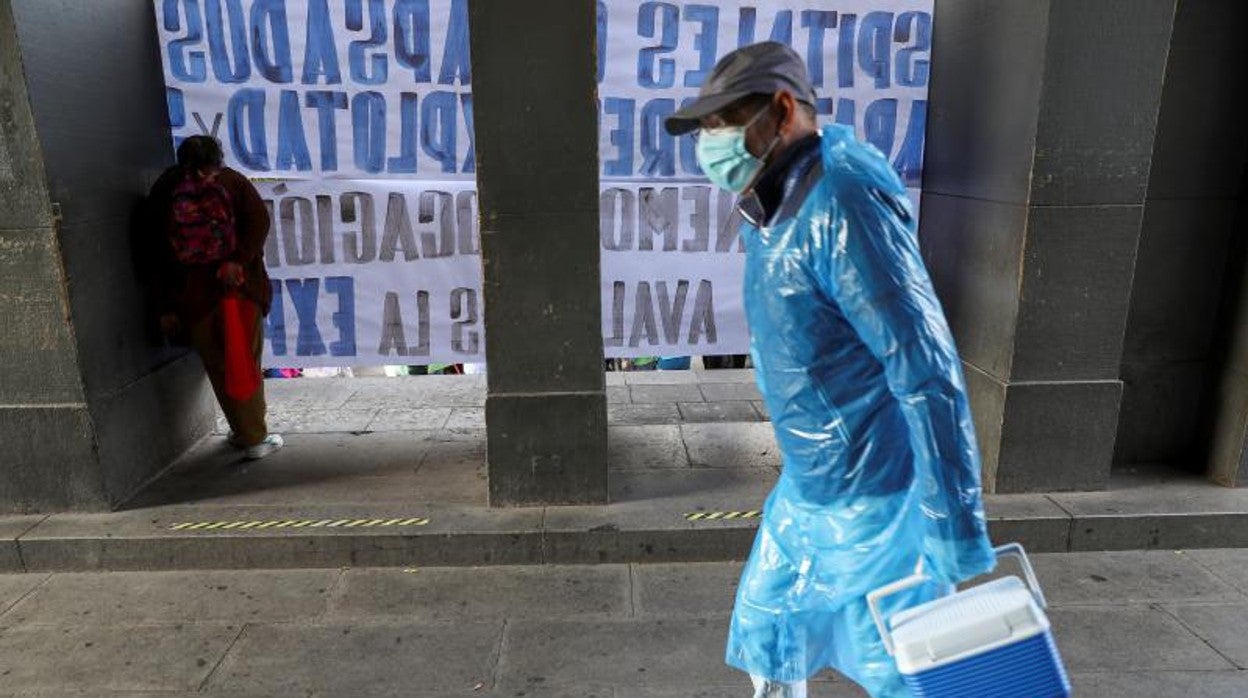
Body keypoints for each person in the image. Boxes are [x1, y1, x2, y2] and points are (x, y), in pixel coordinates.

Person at [665, 42, 996, 697]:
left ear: (783, 110)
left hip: (874, 500)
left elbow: (925, 369)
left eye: (725, 123)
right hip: (812, 485)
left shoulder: (843, 201)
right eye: (705, 128)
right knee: (770, 631)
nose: (711, 142)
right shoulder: (781, 191)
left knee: (905, 673)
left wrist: (953, 524)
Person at [148, 135, 283, 460]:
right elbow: (258, 223)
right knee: (243, 360)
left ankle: (244, 431)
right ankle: (254, 437)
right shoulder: (233, 183)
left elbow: (154, 251)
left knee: (219, 365)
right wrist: (237, 260)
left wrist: (165, 304)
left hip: (192, 298)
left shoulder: (165, 191)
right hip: (236, 290)